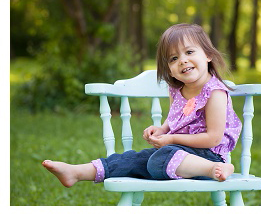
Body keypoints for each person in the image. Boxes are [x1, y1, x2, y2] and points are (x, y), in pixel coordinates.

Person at [42, 22, 241, 188]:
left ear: (208, 55)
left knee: (157, 160)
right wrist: (162, 129)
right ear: (169, 70)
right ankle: (77, 172)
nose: (182, 61)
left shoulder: (214, 92)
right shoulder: (177, 90)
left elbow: (213, 138)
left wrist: (170, 139)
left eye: (189, 51)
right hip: (175, 152)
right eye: (173, 58)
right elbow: (174, 120)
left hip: (208, 157)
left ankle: (216, 170)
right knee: (132, 159)